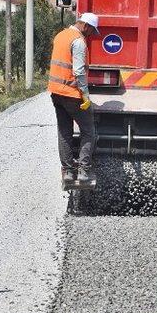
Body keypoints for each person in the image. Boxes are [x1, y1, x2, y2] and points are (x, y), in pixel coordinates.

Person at [48, 12, 100, 188]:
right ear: (85, 26)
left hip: (56, 92)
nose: (92, 34)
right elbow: (78, 71)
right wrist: (85, 96)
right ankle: (84, 171)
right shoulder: (78, 41)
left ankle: (68, 172)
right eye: (92, 30)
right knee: (88, 131)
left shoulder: (61, 35)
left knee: (64, 131)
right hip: (71, 93)